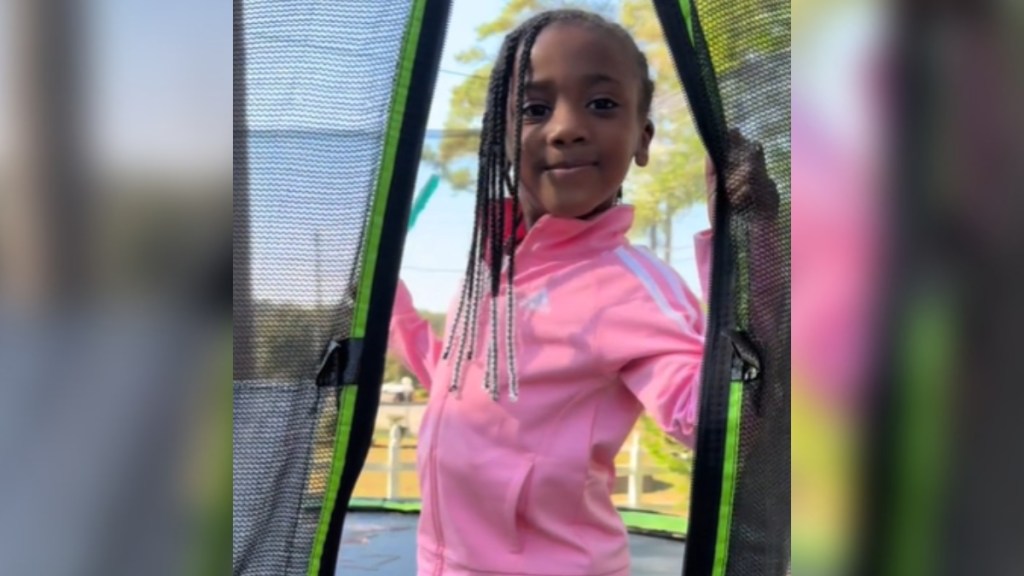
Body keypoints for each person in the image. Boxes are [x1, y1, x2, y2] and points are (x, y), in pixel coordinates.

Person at [388, 9, 776, 575]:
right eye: (534, 108)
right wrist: (382, 301)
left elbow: (718, 421)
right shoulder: (490, 268)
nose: (565, 127)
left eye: (601, 104)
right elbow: (449, 376)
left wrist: (750, 242)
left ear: (642, 138)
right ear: (502, 138)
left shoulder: (628, 288)